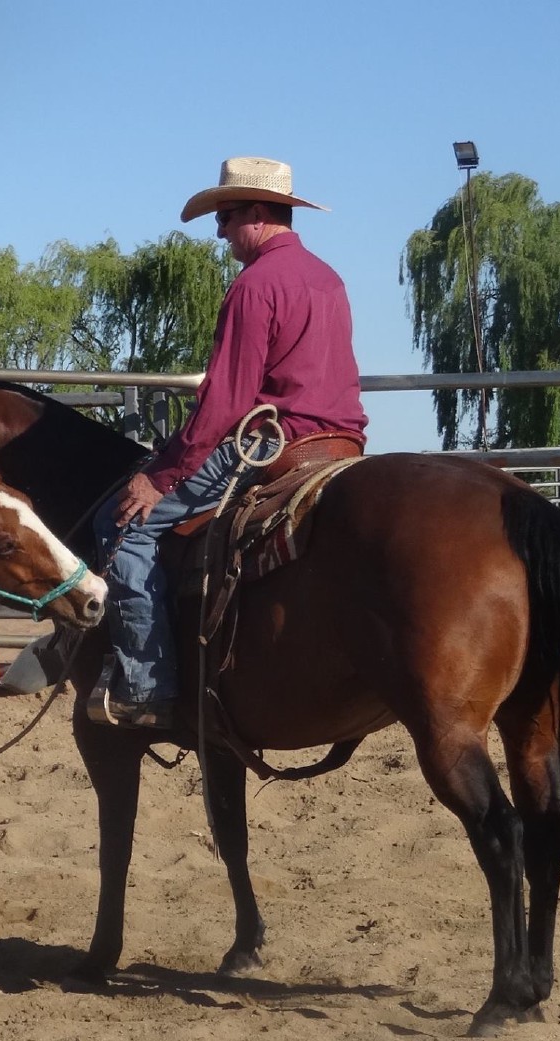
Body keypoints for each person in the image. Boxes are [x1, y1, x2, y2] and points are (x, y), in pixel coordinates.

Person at [89, 157, 369, 729]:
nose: (219, 231)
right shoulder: (328, 278)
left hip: (271, 442)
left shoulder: (255, 285)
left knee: (122, 526)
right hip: (341, 443)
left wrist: (160, 476)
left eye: (226, 216)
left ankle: (147, 688)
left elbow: (225, 403)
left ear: (259, 214)